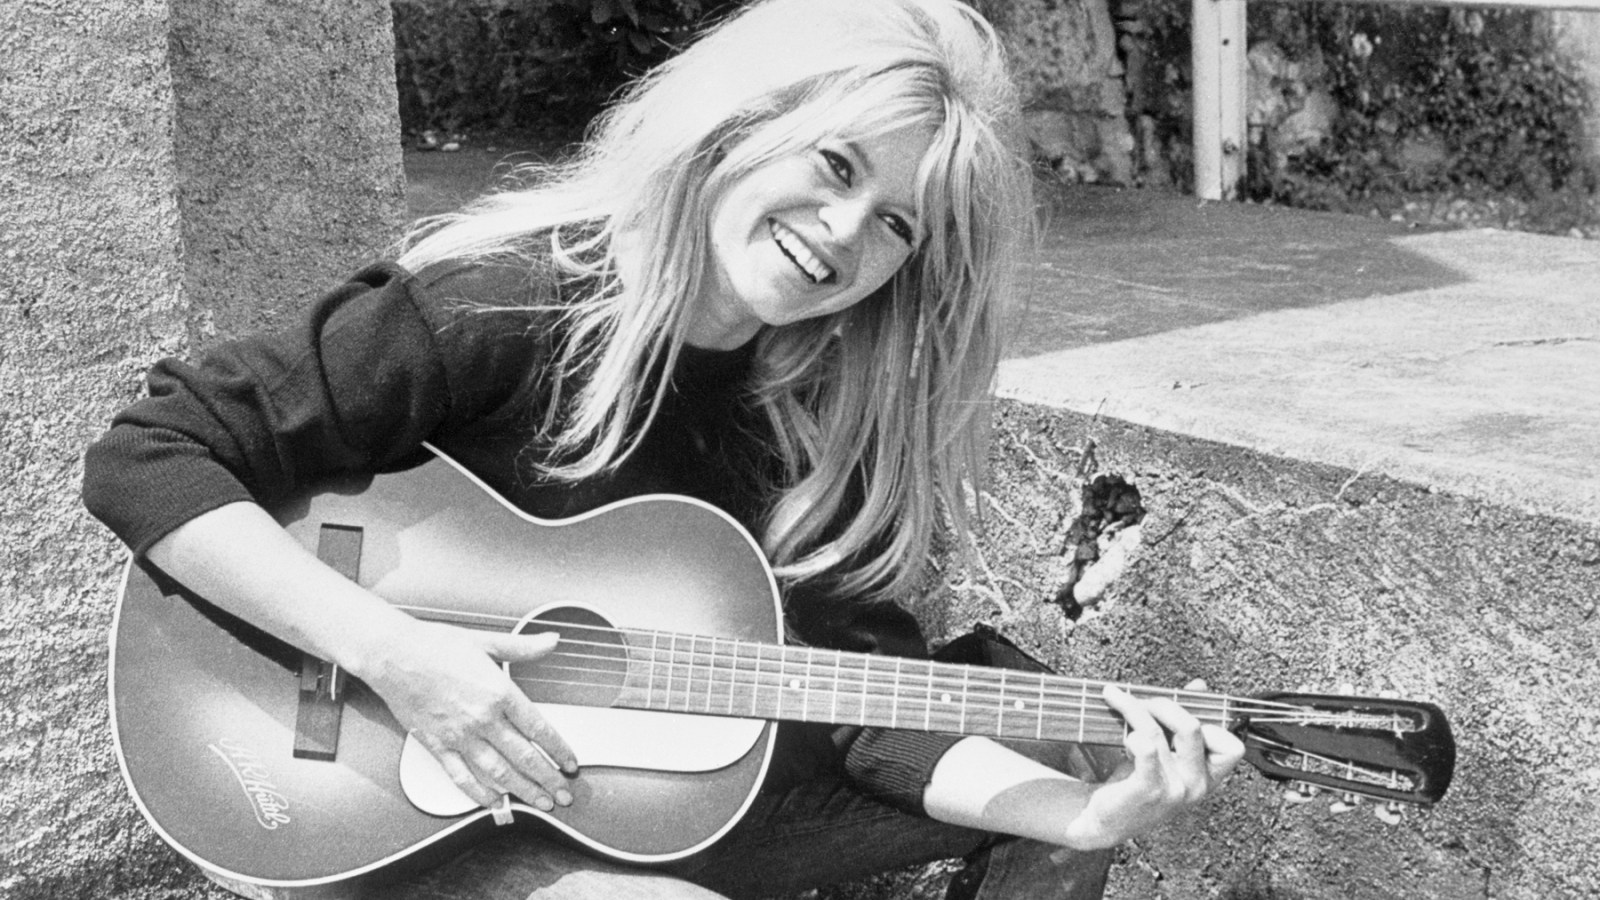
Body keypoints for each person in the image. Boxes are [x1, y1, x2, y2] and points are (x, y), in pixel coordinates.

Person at [82, 0, 1244, 897]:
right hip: (350, 791)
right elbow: (152, 454)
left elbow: (852, 702)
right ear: (742, 124)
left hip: (604, 797)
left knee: (1051, 744)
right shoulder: (507, 305)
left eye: (896, 225)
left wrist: (1085, 817)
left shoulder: (815, 421)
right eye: (836, 166)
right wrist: (392, 653)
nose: (842, 233)